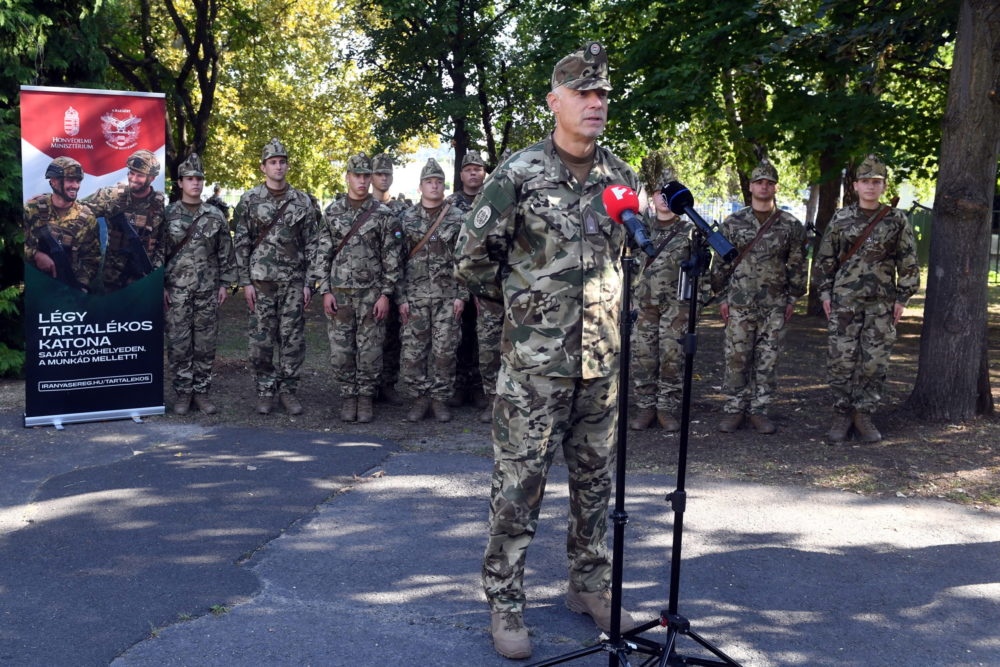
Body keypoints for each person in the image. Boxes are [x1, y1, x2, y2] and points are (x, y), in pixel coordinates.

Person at [455, 41, 638, 660]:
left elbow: (621, 258)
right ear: (554, 101)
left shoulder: (621, 175)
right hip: (535, 370)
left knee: (595, 483)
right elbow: (471, 258)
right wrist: (523, 310)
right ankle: (505, 605)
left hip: (602, 363)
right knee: (519, 487)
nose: (596, 104)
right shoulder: (518, 174)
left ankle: (588, 586)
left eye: (603, 94)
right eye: (583, 94)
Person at [816, 154, 919, 443]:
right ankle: (841, 414)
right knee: (841, 360)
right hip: (844, 303)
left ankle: (864, 414)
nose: (871, 187)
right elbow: (825, 259)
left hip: (881, 304)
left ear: (884, 186)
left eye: (876, 182)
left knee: (874, 362)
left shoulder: (896, 220)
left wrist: (902, 298)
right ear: (856, 186)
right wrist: (824, 293)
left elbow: (908, 261)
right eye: (865, 182)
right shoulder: (841, 218)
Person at [709, 158, 807, 434]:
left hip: (774, 304)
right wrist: (722, 297)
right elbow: (721, 263)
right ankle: (734, 409)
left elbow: (798, 263)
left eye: (769, 182)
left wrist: (793, 299)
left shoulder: (789, 224)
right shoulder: (734, 221)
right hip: (739, 302)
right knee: (736, 356)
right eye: (759, 182)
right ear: (751, 186)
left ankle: (760, 410)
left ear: (775, 187)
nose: (764, 187)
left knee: (768, 358)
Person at [309, 153, 401, 423]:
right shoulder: (332, 213)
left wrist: (385, 295)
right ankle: (349, 396)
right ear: (347, 177)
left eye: (365, 176)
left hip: (372, 295)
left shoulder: (384, 215)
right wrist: (325, 290)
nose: (361, 181)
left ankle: (365, 397)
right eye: (356, 175)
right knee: (341, 350)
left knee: (371, 350)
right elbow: (322, 255)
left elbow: (391, 259)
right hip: (339, 295)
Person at [233, 138, 319, 416]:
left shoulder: (303, 201)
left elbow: (313, 244)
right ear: (263, 167)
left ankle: (288, 391)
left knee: (292, 340)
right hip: (260, 283)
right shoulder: (249, 200)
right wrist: (244, 282)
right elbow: (241, 243)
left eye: (282, 161)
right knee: (261, 341)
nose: (278, 166)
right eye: (273, 162)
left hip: (293, 282)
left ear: (287, 165)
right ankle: (265, 390)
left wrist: (309, 283)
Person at [629, 168, 705, 432]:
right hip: (643, 306)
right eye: (660, 193)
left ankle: (666, 409)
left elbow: (701, 274)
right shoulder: (639, 229)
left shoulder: (690, 232)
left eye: (669, 194)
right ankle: (645, 408)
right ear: (653, 198)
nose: (664, 198)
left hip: (676, 308)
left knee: (672, 358)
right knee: (642, 358)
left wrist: (696, 307)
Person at [163, 154, 236, 415]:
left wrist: (225, 284)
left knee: (205, 344)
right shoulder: (168, 215)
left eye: (199, 179)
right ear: (180, 183)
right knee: (179, 343)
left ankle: (202, 392)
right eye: (190, 179)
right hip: (177, 292)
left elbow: (225, 253)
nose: (195, 183)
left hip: (207, 290)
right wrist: (160, 286)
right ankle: (183, 393)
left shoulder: (215, 216)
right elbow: (157, 254)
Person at [396, 158, 468, 422]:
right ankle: (419, 398)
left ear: (444, 186)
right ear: (420, 187)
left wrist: (462, 295)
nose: (434, 186)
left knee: (445, 352)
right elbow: (397, 261)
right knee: (413, 352)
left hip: (447, 298)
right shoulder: (406, 219)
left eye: (438, 182)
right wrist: (401, 298)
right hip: (414, 298)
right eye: (429, 182)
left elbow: (465, 260)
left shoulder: (458, 218)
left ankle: (439, 399)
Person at [447, 150, 498, 420]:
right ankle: (458, 387)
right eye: (469, 169)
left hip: (484, 285)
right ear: (461, 174)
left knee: (483, 341)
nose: (474, 173)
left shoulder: (492, 199)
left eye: (478, 168)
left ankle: (480, 389)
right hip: (457, 282)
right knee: (458, 338)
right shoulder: (449, 203)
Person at [83, 149, 165, 292]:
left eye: (139, 175)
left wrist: (155, 274)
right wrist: (46, 199)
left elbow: (165, 244)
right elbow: (76, 209)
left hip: (143, 279)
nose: (133, 178)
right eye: (131, 173)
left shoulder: (160, 205)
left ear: (152, 178)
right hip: (112, 278)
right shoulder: (111, 196)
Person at [23, 157, 101, 291]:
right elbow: (15, 242)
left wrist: (82, 286)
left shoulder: (87, 218)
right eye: (70, 180)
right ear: (53, 181)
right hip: (35, 289)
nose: (75, 185)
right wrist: (35, 255)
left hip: (70, 290)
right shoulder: (32, 209)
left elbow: (92, 259)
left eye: (78, 181)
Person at [371, 152, 407, 405]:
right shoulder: (364, 207)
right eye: (379, 174)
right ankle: (368, 386)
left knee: (392, 336)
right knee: (368, 338)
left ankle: (388, 383)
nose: (384, 178)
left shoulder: (402, 210)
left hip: (395, 282)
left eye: (388, 174)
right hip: (367, 283)